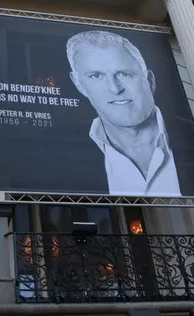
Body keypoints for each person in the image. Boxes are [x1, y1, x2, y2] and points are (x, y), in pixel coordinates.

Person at [66, 30, 181, 196]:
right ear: (79, 85)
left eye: (124, 74)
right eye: (96, 76)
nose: (115, 88)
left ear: (149, 80)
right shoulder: (64, 157)